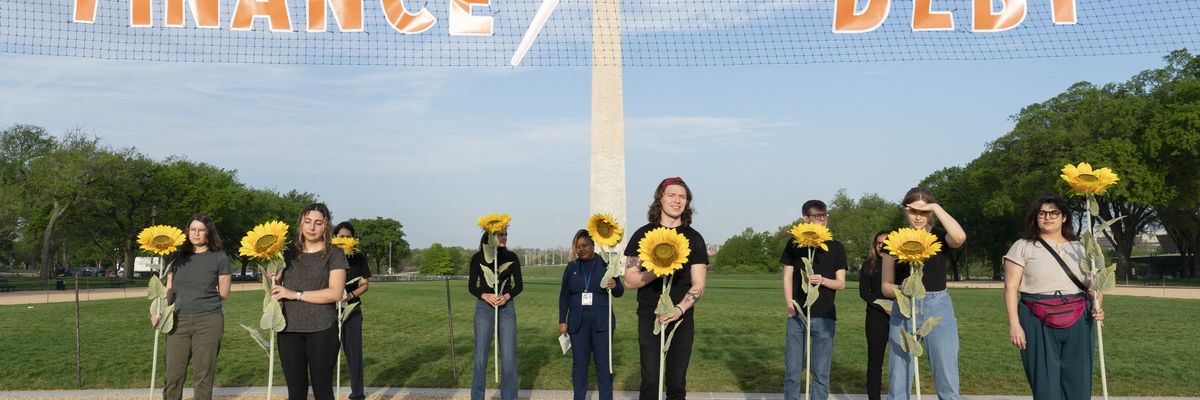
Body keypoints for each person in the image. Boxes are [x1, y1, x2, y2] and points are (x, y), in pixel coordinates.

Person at [1003, 194, 1105, 400]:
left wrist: (1097, 306)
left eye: (1053, 213)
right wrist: (1014, 324)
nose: (1047, 217)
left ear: (1064, 217)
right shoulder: (1022, 246)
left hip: (1079, 317)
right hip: (1035, 316)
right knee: (1044, 382)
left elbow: (1093, 286)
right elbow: (1011, 287)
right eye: (1042, 213)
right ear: (1035, 217)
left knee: (1079, 378)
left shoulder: (1081, 248)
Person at [623, 177, 709, 400]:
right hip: (649, 316)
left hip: (681, 318)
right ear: (660, 198)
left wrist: (679, 309)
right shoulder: (642, 235)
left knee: (677, 382)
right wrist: (659, 267)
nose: (677, 200)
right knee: (651, 381)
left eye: (682, 197)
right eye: (672, 195)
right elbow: (630, 281)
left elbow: (699, 284)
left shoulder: (694, 238)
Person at [881, 187, 966, 400]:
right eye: (913, 211)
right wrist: (902, 289)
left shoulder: (939, 238)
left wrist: (935, 207)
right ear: (905, 211)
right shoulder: (894, 239)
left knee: (947, 377)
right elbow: (885, 286)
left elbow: (959, 237)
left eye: (924, 212)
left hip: (938, 307)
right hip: (904, 308)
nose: (918, 217)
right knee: (899, 379)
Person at [271, 203, 349, 400]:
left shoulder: (335, 254)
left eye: (318, 223)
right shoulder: (286, 253)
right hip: (288, 330)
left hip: (322, 328)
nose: (311, 227)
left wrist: (295, 294)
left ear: (326, 227)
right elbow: (275, 288)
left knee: (322, 389)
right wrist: (272, 276)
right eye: (307, 222)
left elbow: (335, 293)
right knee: (295, 392)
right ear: (300, 225)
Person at [157, 213, 231, 400]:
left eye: (201, 230)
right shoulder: (176, 257)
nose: (196, 233)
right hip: (176, 321)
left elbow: (224, 293)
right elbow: (169, 289)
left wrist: (200, 300)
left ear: (208, 233)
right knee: (173, 374)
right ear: (187, 231)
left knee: (203, 374)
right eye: (193, 229)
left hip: (208, 321)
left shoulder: (219, 258)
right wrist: (158, 311)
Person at [781, 200, 848, 400]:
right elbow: (787, 277)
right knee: (793, 372)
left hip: (825, 316)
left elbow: (841, 284)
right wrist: (789, 304)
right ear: (806, 219)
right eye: (817, 216)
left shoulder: (836, 247)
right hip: (797, 315)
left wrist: (823, 280)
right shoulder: (794, 243)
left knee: (821, 373)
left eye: (824, 215)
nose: (822, 220)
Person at [558, 229, 624, 400]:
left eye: (584, 245)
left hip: (602, 322)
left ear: (593, 245)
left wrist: (613, 285)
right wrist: (562, 320)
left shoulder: (605, 263)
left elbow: (619, 291)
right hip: (577, 323)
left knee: (603, 365)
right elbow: (564, 295)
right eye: (577, 246)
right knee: (580, 365)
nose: (581, 249)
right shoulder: (571, 267)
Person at [468, 228, 524, 400]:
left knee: (508, 357)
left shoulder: (512, 257)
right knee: (480, 357)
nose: (504, 237)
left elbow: (519, 285)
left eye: (506, 234)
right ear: (490, 236)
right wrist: (485, 295)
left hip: (506, 309)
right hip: (484, 308)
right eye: (501, 234)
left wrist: (507, 296)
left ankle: (509, 397)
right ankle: (477, 397)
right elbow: (472, 286)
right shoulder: (478, 258)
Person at [333, 221, 371, 400]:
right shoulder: (328, 255)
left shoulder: (359, 257)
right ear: (334, 237)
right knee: (326, 354)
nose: (344, 239)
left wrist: (350, 295)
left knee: (354, 354)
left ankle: (357, 394)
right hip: (329, 310)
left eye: (348, 236)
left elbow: (364, 284)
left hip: (352, 309)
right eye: (341, 236)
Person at [858, 230, 891, 400]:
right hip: (876, 318)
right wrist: (883, 306)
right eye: (879, 243)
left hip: (899, 317)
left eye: (886, 242)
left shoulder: (902, 264)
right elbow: (864, 292)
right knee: (875, 363)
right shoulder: (869, 264)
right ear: (875, 245)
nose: (882, 246)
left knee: (900, 362)